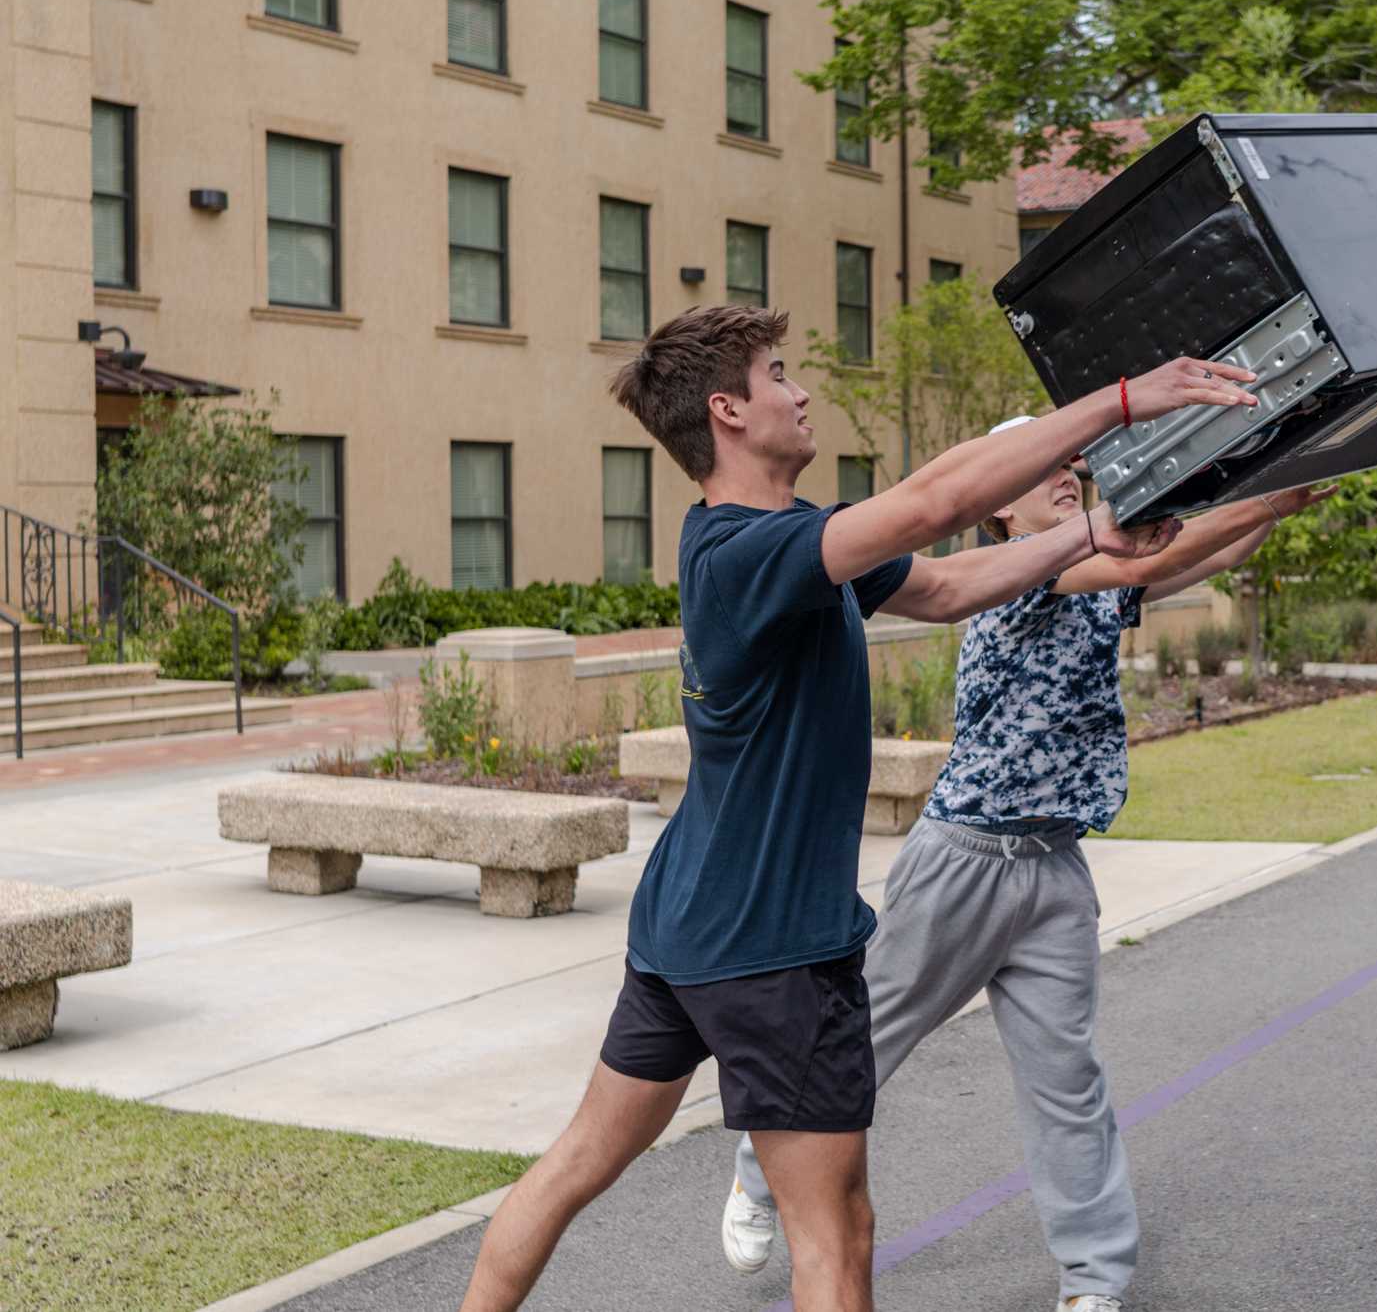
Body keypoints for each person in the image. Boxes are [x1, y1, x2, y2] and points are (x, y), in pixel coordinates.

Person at [456, 305, 1257, 1312]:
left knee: (577, 1162)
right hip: (775, 950)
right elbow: (932, 503)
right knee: (835, 1233)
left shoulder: (780, 546)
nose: (800, 391)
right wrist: (1127, 400)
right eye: (778, 375)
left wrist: (1091, 532)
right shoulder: (754, 555)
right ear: (728, 411)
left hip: (685, 925)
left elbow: (953, 580)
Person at [721, 413, 1331, 1312]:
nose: (1070, 471)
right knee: (863, 1043)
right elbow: (1151, 561)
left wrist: (1285, 498)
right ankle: (755, 1163)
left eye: (1075, 462)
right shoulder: (1026, 577)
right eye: (1048, 462)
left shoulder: (1095, 579)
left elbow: (1199, 561)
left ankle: (1093, 1279)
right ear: (1000, 509)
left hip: (1052, 867)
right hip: (962, 858)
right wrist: (1268, 495)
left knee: (1068, 1079)